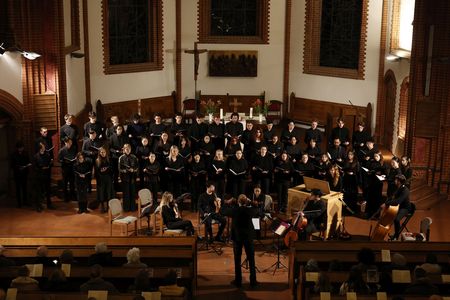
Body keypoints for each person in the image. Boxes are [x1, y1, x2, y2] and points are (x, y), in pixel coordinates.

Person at [221, 194, 258, 288]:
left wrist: (227, 203)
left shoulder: (235, 210)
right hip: (248, 237)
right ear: (246, 201)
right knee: (251, 259)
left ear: (238, 202)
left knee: (237, 259)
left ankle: (238, 281)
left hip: (237, 238)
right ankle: (253, 281)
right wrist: (252, 203)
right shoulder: (250, 210)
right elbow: (258, 210)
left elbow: (222, 211)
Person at [382, 174, 413, 240]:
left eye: (396, 180)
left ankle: (396, 236)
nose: (395, 181)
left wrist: (386, 204)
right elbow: (393, 197)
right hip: (400, 206)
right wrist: (387, 201)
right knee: (390, 216)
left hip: (405, 208)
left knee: (396, 219)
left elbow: (398, 201)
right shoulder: (399, 187)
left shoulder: (405, 190)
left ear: (399, 181)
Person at [32, 142, 54, 211]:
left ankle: (49, 204)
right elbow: (34, 167)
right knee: (39, 192)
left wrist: (49, 164)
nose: (44, 148)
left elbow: (50, 164)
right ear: (40, 148)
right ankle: (39, 206)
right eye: (43, 147)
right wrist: (41, 168)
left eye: (44, 147)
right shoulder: (36, 156)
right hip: (39, 176)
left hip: (46, 175)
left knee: (48, 190)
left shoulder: (47, 155)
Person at [118, 144, 139, 212]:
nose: (127, 150)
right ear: (124, 149)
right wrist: (125, 170)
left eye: (129, 148)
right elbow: (119, 169)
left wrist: (134, 170)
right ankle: (126, 208)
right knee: (126, 193)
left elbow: (137, 167)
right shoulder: (121, 158)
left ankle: (132, 207)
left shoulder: (134, 157)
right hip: (125, 178)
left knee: (132, 193)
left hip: (132, 177)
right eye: (126, 149)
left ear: (130, 149)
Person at [10, 141, 30, 208]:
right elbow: (12, 165)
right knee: (18, 189)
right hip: (17, 174)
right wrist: (18, 167)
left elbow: (29, 162)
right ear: (17, 148)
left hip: (24, 173)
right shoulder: (13, 154)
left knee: (25, 188)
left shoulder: (26, 153)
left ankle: (25, 202)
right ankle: (19, 203)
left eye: (22, 148)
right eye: (20, 148)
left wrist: (26, 166)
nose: (21, 149)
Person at [95, 147, 114, 213]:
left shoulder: (109, 159)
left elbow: (112, 169)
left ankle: (108, 207)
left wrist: (107, 169)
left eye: (104, 152)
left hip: (108, 178)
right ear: (99, 153)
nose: (103, 153)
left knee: (108, 192)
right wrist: (101, 171)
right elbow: (96, 172)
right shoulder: (97, 160)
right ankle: (102, 206)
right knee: (101, 193)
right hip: (101, 178)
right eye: (102, 152)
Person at [58, 137, 77, 202]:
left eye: (71, 142)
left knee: (72, 183)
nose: (70, 143)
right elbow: (59, 160)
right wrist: (64, 161)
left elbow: (75, 157)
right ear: (65, 142)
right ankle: (65, 197)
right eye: (69, 142)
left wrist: (74, 159)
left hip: (72, 168)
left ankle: (72, 196)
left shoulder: (73, 149)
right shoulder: (62, 150)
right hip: (65, 168)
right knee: (65, 183)